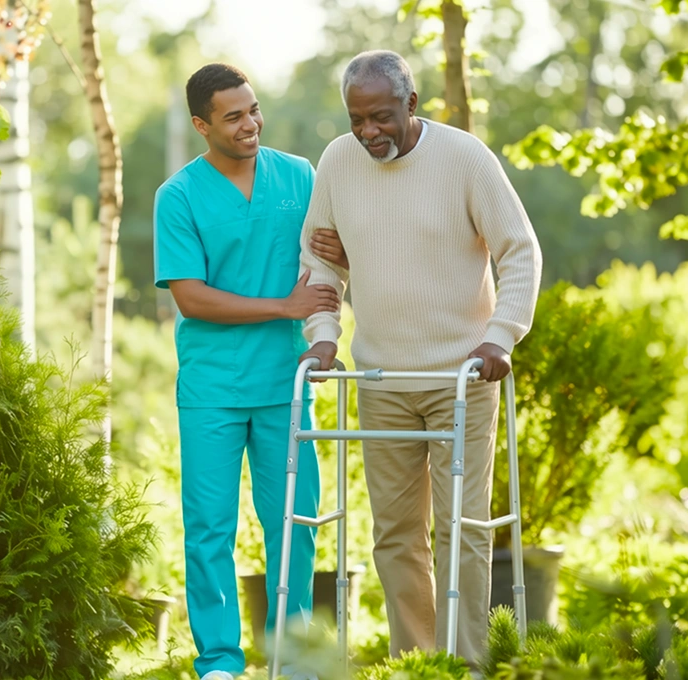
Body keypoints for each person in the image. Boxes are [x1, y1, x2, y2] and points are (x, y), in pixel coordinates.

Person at [302, 50, 542, 665]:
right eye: (357, 119)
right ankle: (417, 663)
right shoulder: (337, 160)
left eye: (380, 117)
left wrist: (501, 334)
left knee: (460, 530)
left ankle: (466, 664)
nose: (367, 132)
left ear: (411, 104)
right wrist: (324, 333)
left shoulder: (464, 158)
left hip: (461, 375)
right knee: (395, 535)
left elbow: (519, 250)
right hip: (380, 374)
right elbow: (320, 262)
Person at [153, 63, 345, 680]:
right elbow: (190, 296)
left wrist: (320, 319)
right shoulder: (178, 196)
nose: (250, 124)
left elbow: (324, 262)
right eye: (233, 116)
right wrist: (282, 307)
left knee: (294, 519)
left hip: (285, 385)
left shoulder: (299, 176)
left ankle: (293, 660)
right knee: (209, 528)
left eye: (253, 109)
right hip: (211, 386)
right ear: (200, 125)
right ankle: (219, 662)